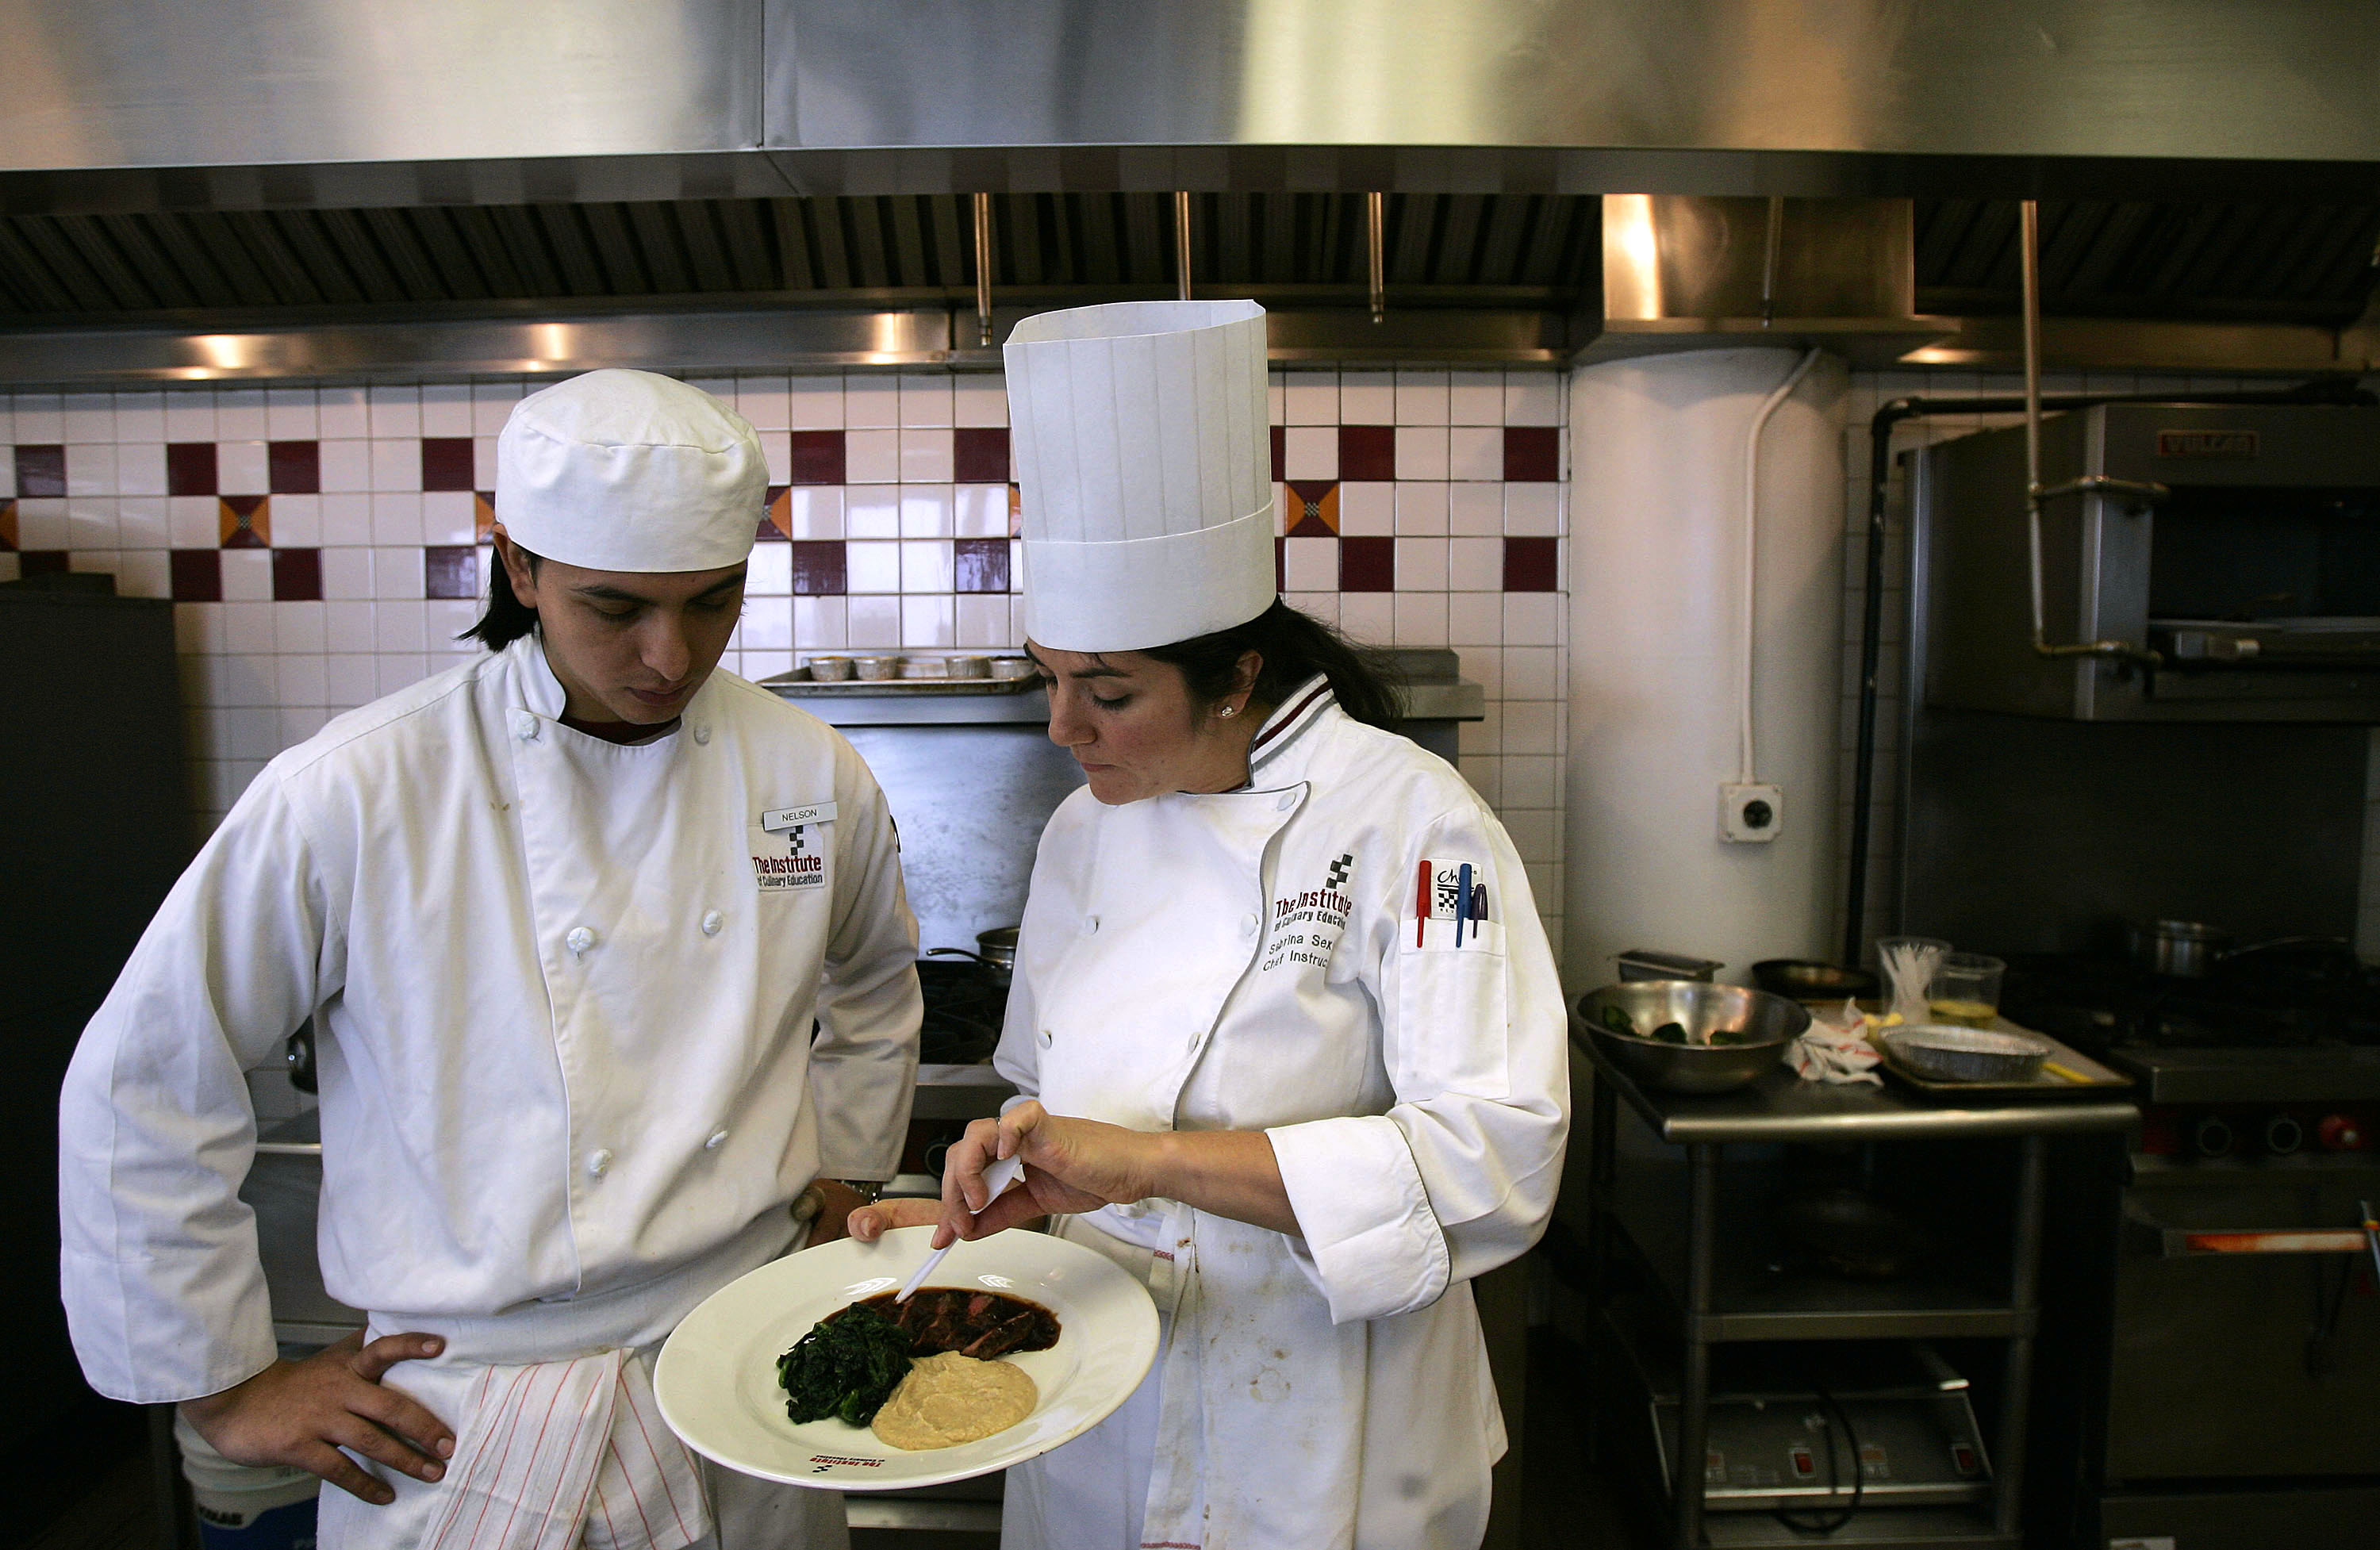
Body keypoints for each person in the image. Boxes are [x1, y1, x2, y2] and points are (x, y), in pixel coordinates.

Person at [60, 369, 923, 1550]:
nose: (670, 656)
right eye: (616, 608)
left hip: (743, 1373)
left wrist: (855, 1170)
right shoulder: (363, 787)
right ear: (519, 566)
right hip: (459, 1412)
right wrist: (223, 1384)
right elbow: (147, 1071)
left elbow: (874, 980)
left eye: (713, 601)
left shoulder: (809, 772)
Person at [853, 301, 1569, 1550]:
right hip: (1094, 1406)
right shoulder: (1084, 829)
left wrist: (1154, 1163)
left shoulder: (1415, 827)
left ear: (1238, 675)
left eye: (1110, 691)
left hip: (1326, 1433)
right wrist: (999, 1214)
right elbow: (1045, 1101)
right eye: (1049, 676)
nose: (1063, 730)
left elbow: (1494, 1166)